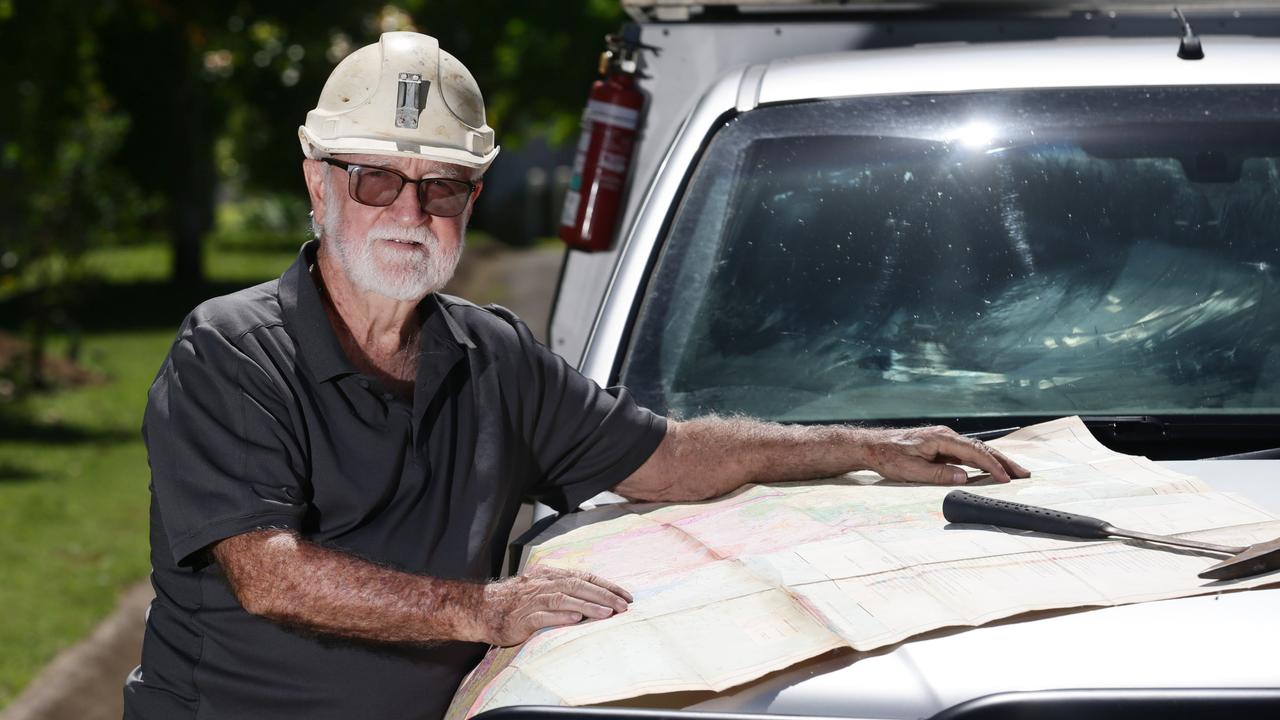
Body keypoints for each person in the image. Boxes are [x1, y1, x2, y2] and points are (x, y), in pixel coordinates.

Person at [123, 31, 1028, 720]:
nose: (410, 211)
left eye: (441, 186)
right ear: (318, 183)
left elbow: (669, 458)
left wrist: (865, 446)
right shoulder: (233, 350)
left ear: (470, 200)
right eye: (375, 182)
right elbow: (270, 576)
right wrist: (486, 610)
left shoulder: (492, 355)